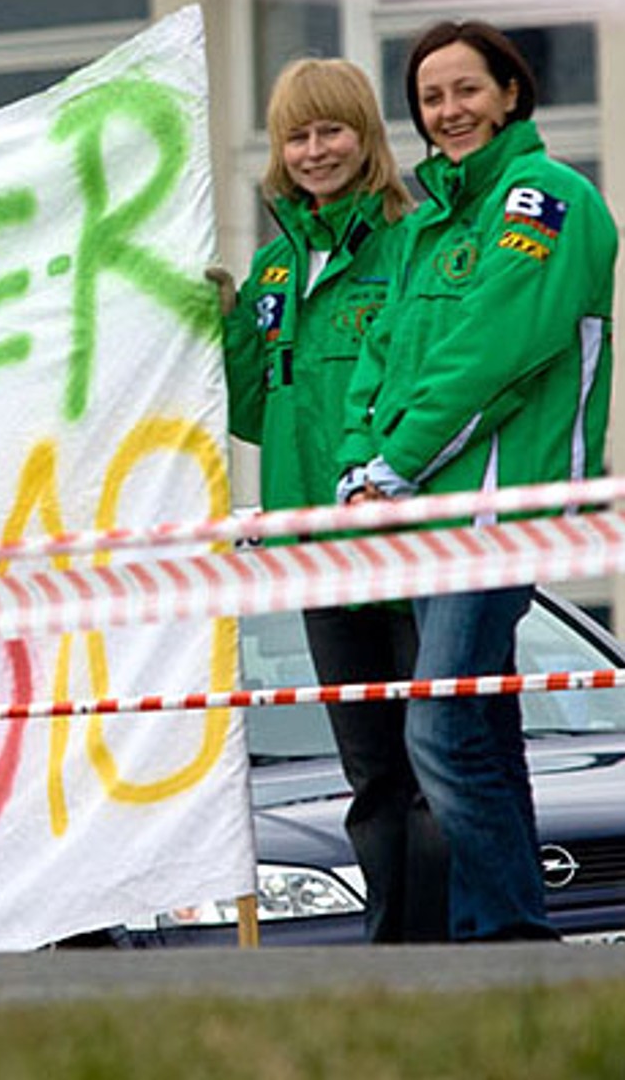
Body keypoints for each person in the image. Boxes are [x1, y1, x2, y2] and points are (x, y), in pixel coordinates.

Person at [338, 20, 617, 942]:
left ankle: (496, 938)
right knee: (482, 734)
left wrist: (397, 460)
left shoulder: (548, 198)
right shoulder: (423, 228)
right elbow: (376, 360)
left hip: (496, 514)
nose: (449, 112)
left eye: (466, 90)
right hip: (419, 515)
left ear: (510, 92)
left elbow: (499, 350)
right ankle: (512, 935)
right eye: (430, 97)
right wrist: (357, 462)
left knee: (441, 732)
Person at [215, 58, 446, 943]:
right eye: (297, 136)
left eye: (331, 131)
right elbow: (249, 414)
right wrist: (228, 324)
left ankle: (451, 954)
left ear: (369, 137)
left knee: (436, 767)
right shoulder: (276, 272)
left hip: (406, 546)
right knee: (372, 773)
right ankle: (392, 954)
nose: (315, 151)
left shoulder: (415, 245)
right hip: (314, 558)